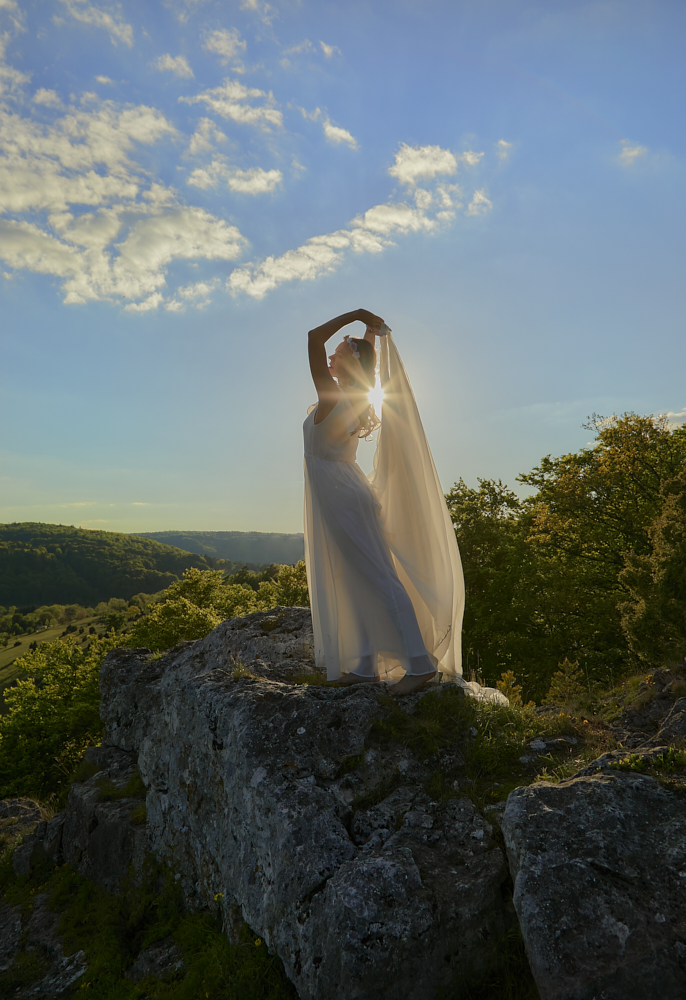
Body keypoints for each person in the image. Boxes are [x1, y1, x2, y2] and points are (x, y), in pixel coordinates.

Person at [304, 308, 464, 695]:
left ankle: (420, 663)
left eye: (339, 350)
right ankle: (363, 665)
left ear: (348, 361)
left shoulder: (333, 395)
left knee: (378, 576)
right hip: (343, 491)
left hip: (342, 495)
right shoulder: (354, 394)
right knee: (353, 574)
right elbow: (362, 359)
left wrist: (358, 315)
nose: (331, 353)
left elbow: (312, 337)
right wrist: (366, 332)